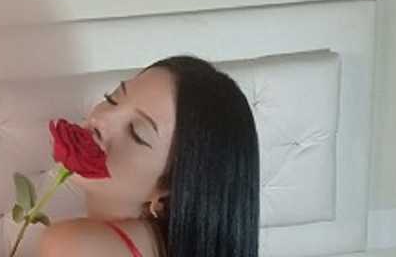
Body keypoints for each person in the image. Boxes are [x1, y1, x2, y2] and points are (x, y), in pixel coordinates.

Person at [40, 55, 260, 257]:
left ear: (167, 191)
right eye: (112, 99)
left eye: (136, 132)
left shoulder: (71, 246)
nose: (101, 120)